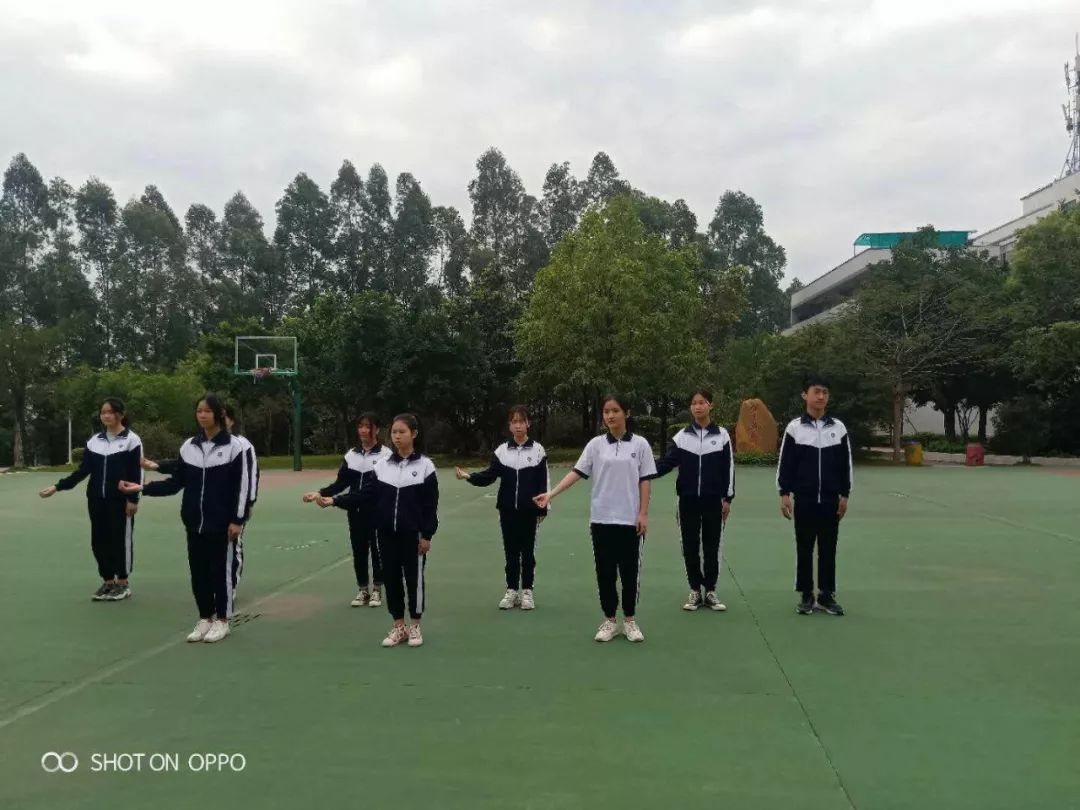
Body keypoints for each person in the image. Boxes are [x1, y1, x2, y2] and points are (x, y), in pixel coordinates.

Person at [119, 394, 250, 643]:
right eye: (199, 411)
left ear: (219, 414)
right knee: (198, 573)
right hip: (193, 522)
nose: (202, 415)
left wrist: (237, 519)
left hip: (222, 523)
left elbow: (242, 487)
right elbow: (176, 483)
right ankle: (205, 618)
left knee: (221, 573)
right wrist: (141, 488)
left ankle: (222, 620)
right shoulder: (189, 446)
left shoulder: (235, 447)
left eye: (207, 411)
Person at [534, 395, 655, 643]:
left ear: (626, 413)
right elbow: (576, 473)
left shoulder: (641, 444)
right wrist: (551, 494)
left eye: (615, 410)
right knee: (605, 572)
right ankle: (610, 620)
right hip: (601, 519)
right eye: (606, 411)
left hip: (630, 520)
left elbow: (645, 481)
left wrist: (643, 513)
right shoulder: (596, 445)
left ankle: (629, 621)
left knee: (630, 573)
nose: (610, 416)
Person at [318, 414, 438, 648]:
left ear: (414, 434)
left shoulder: (425, 466)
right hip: (386, 533)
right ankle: (398, 625)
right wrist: (334, 500)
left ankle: (415, 625)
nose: (397, 436)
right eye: (394, 432)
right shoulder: (382, 466)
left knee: (414, 580)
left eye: (402, 432)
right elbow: (364, 494)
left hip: (412, 535)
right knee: (391, 579)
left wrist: (426, 535)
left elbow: (430, 506)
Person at [144, 404, 258, 612]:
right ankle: (209, 607)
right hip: (200, 516)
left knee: (232, 548)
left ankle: (229, 588)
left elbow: (248, 477)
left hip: (231, 510)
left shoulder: (241, 445)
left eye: (220, 415)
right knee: (202, 562)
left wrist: (247, 505)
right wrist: (156, 467)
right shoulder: (195, 444)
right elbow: (185, 469)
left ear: (230, 420)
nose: (206, 416)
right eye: (200, 411)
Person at [39, 398, 142, 601]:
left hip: (120, 500)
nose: (106, 416)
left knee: (120, 540)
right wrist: (57, 487)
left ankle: (123, 583)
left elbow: (136, 472)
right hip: (96, 499)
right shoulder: (95, 441)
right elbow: (82, 471)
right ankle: (108, 581)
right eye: (103, 412)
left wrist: (133, 499)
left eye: (110, 412)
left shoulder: (132, 440)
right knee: (99, 541)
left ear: (120, 414)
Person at [455, 405, 549, 611]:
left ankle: (527, 591)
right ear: (509, 425)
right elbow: (489, 476)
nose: (518, 425)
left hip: (529, 511)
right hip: (507, 511)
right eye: (514, 422)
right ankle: (511, 590)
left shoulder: (538, 451)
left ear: (528, 423)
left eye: (521, 421)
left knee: (528, 553)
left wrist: (542, 508)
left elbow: (543, 482)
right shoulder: (501, 451)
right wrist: (469, 476)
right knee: (511, 552)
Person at [776, 374, 853, 616]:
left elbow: (846, 465)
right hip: (805, 499)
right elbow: (786, 463)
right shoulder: (795, 428)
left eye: (825, 392)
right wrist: (784, 492)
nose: (821, 396)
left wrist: (845, 494)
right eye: (816, 391)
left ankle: (827, 595)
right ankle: (806, 595)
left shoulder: (838, 428)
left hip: (831, 500)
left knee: (828, 548)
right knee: (805, 547)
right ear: (805, 395)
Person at [654, 389, 734, 612]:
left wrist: (727, 498)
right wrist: (641, 471)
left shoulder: (722, 436)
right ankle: (695, 590)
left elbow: (728, 468)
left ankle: (711, 591)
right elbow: (666, 463)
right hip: (687, 501)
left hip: (713, 501)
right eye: (694, 403)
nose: (698, 406)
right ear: (691, 407)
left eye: (702, 402)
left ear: (710, 405)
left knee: (712, 546)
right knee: (689, 546)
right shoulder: (682, 437)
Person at [303, 412, 390, 607]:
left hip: (378, 512)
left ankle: (377, 589)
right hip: (355, 511)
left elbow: (372, 490)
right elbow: (341, 483)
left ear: (376, 430)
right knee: (359, 550)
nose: (363, 430)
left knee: (378, 551)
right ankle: (363, 590)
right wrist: (319, 493)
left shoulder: (386, 456)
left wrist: (335, 501)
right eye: (360, 426)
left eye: (367, 426)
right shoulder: (351, 455)